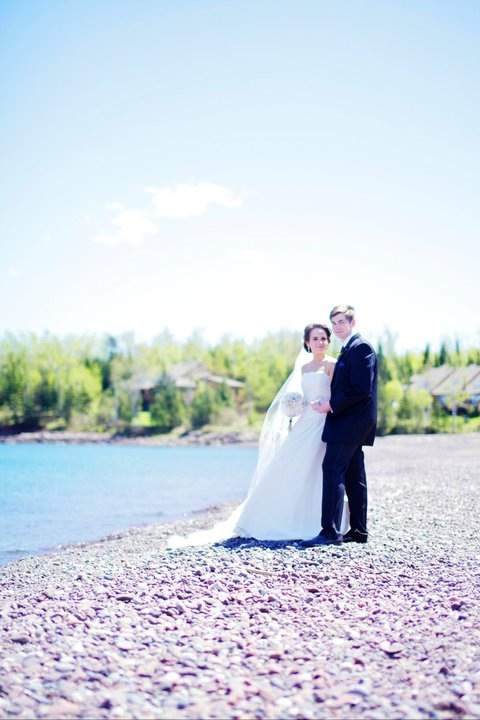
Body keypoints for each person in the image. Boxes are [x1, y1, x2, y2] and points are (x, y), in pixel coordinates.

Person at [167, 323, 349, 548]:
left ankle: (324, 523)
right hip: (305, 422)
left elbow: (337, 395)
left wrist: (326, 406)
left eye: (324, 338)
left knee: (320, 470)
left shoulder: (333, 365)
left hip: (324, 423)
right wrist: (295, 406)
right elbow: (304, 395)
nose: (320, 342)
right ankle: (277, 517)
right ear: (307, 343)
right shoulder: (303, 369)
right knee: (289, 465)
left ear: (328, 342)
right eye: (315, 338)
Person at [301, 304, 377, 547]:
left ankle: (330, 531)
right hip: (349, 422)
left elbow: (361, 390)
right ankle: (358, 531)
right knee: (354, 475)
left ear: (352, 323)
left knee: (332, 468)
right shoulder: (349, 348)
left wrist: (331, 405)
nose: (337, 327)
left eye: (341, 322)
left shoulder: (361, 347)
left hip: (350, 422)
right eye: (334, 323)